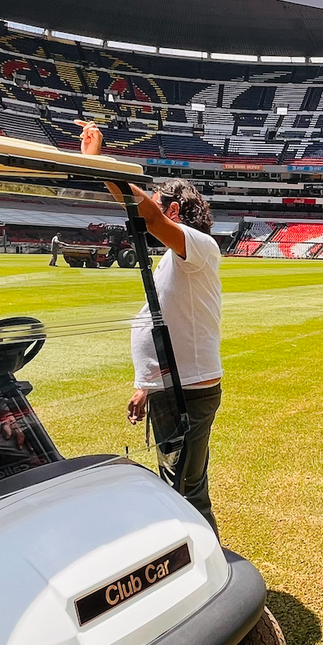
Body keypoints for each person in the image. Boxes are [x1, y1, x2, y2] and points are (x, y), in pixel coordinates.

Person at [79, 120, 225, 532]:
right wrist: (148, 383)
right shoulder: (177, 257)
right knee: (181, 481)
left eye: (159, 206)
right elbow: (169, 321)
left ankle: (209, 574)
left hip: (188, 393)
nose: (148, 215)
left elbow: (145, 212)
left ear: (174, 211)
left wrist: (98, 162)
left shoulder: (197, 245)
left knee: (183, 490)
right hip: (174, 388)